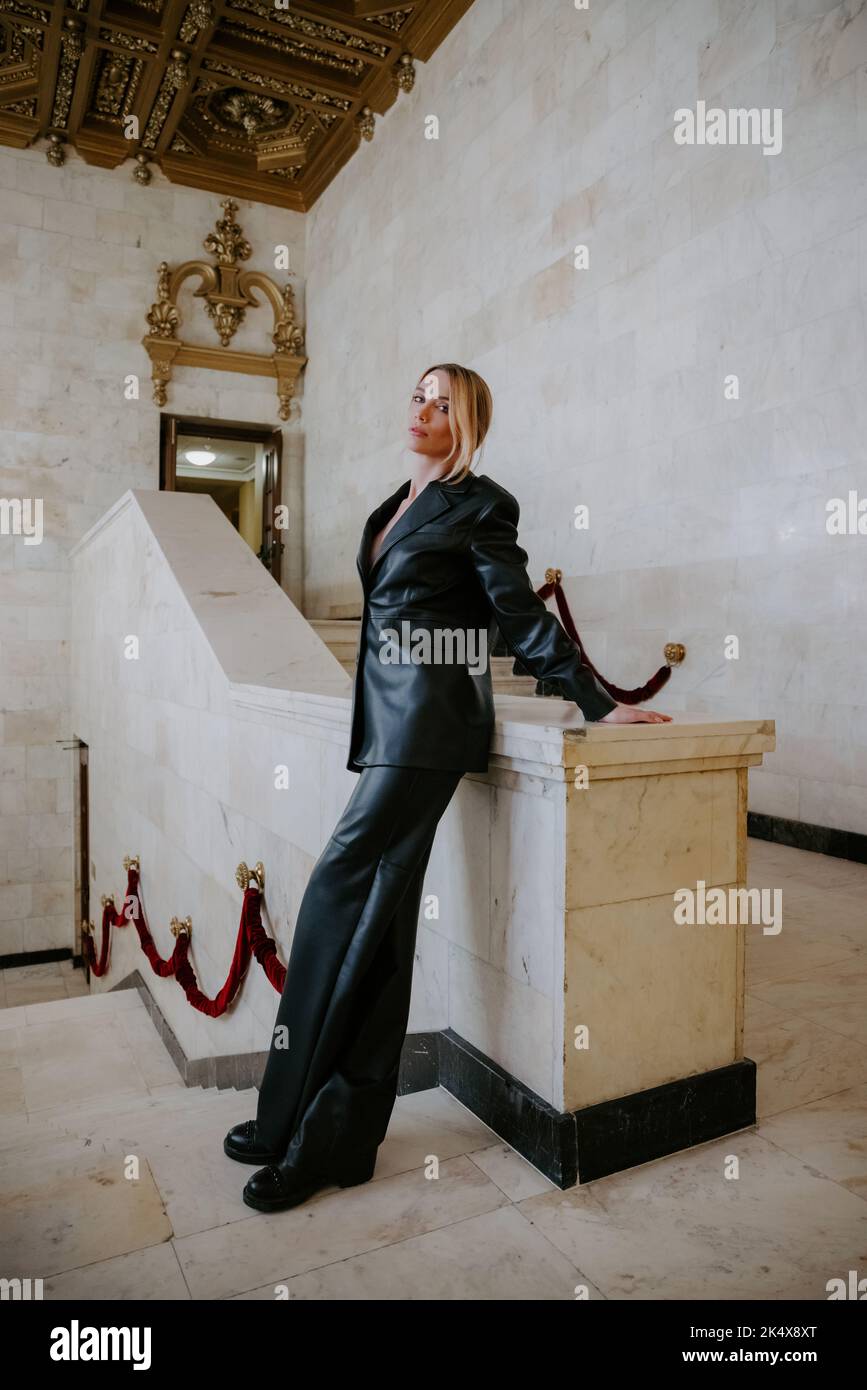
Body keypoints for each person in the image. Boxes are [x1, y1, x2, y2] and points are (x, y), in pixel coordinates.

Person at [224, 362, 671, 1212]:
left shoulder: (482, 504)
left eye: (442, 403)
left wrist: (592, 700)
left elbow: (514, 613)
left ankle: (298, 1122)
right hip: (389, 723)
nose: (422, 411)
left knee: (335, 894)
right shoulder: (393, 505)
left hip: (428, 724)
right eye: (417, 396)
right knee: (380, 927)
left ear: (467, 423)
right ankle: (331, 1134)